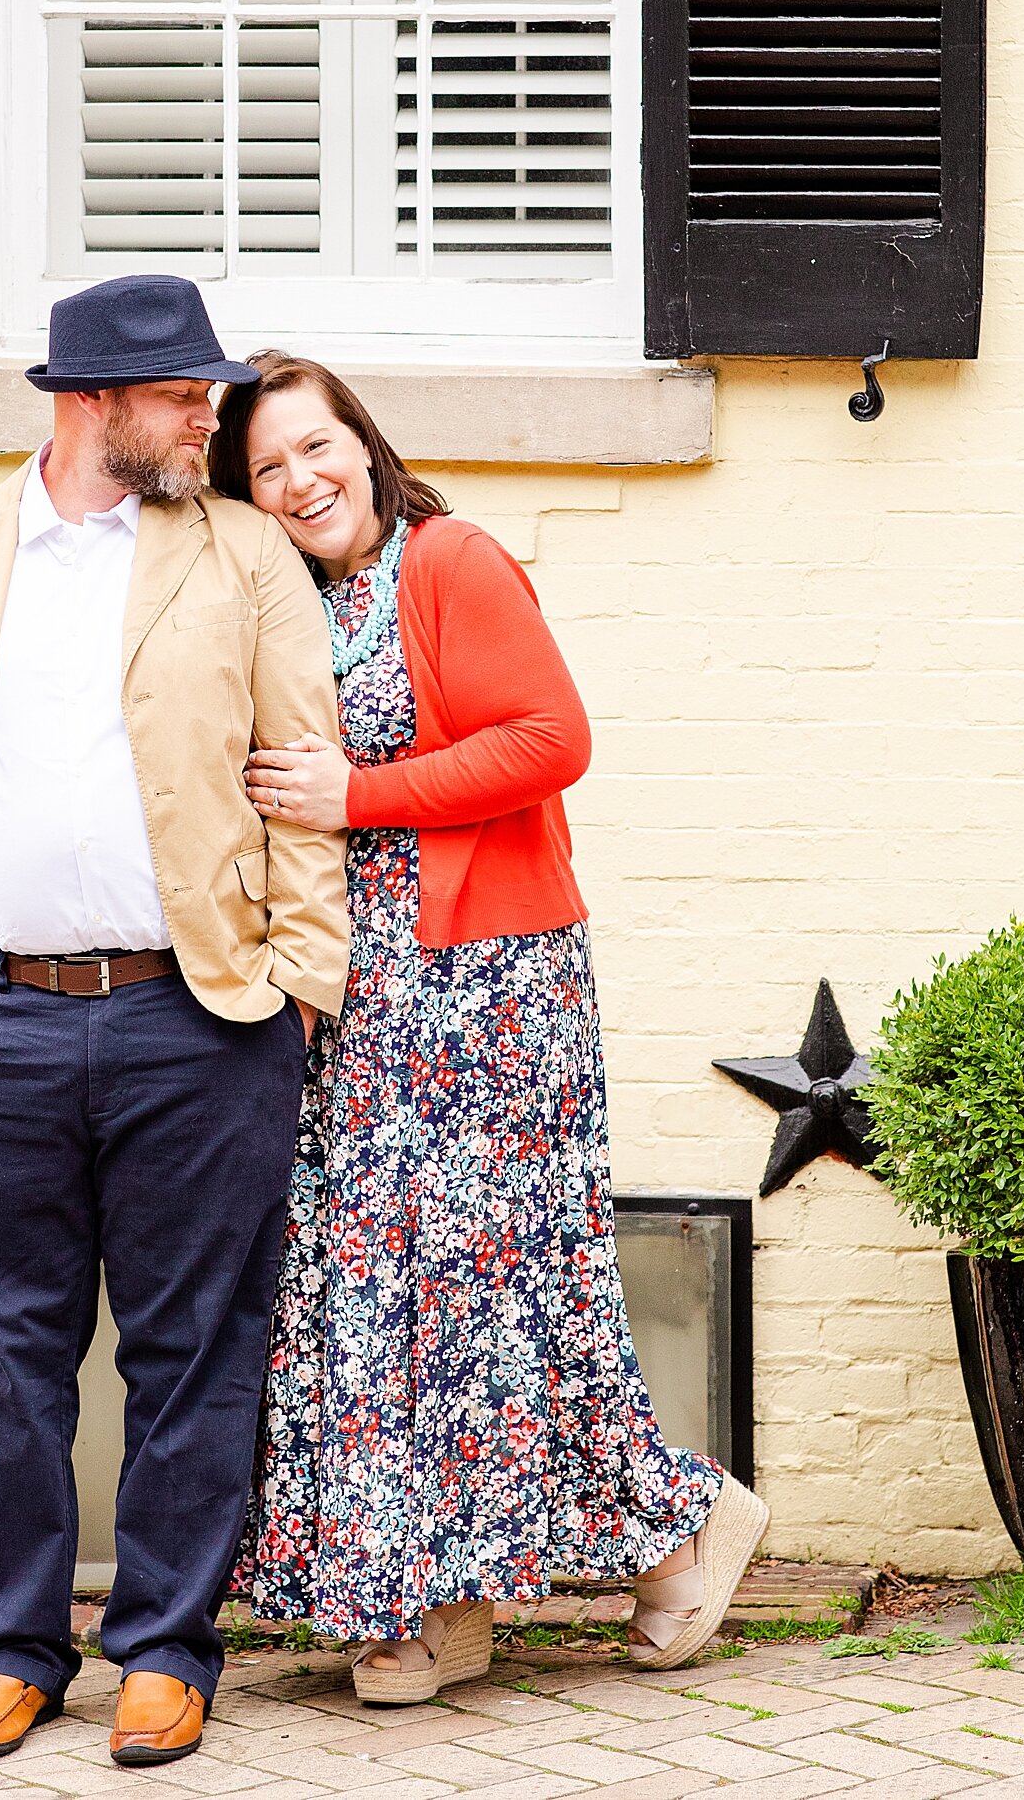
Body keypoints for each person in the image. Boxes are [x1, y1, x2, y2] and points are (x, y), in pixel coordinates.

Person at [0, 283, 348, 1770]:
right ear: (92, 405)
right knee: (8, 1346)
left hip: (199, 1016)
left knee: (197, 1344)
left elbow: (298, 763)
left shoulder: (244, 554)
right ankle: (9, 1647)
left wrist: (298, 981)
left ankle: (167, 1646)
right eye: (186, 395)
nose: (213, 416)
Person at [210, 353, 769, 1703]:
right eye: (267, 466)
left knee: (511, 1290)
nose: (299, 479)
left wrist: (360, 789)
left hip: (491, 986)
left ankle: (681, 1523)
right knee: (386, 1297)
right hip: (362, 998)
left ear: (363, 440)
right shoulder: (304, 600)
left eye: (316, 445)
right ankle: (432, 1594)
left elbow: (549, 737)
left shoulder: (447, 558)